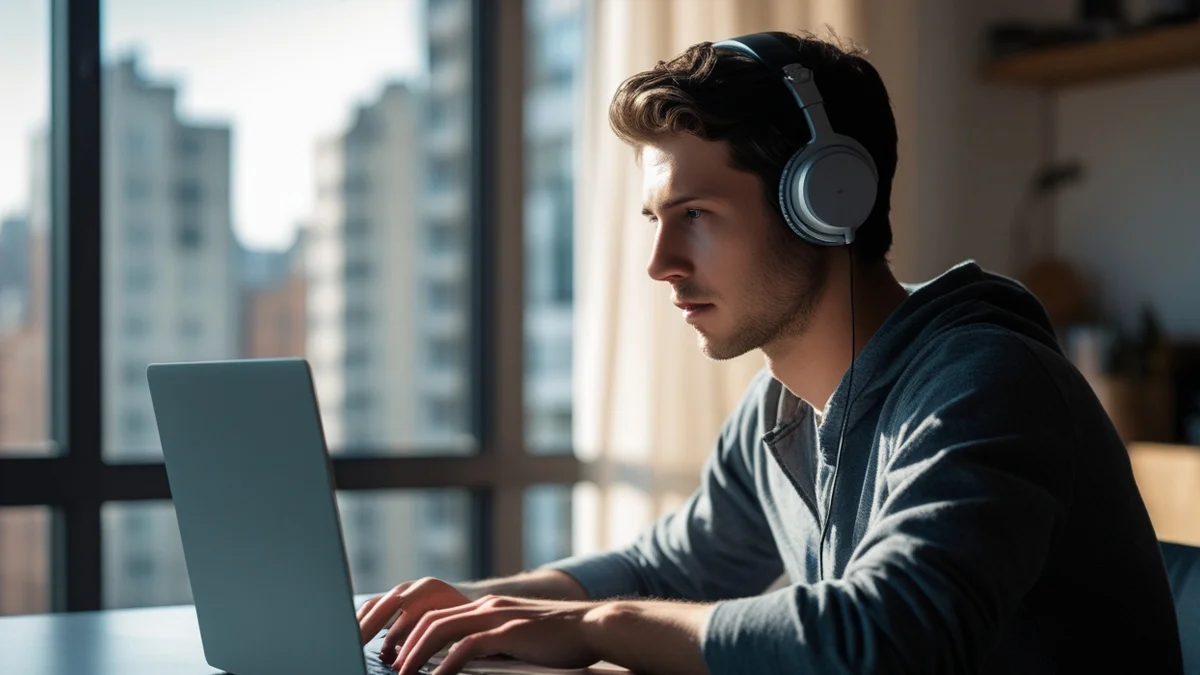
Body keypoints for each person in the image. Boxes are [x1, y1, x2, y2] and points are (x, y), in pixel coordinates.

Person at [357, 31, 1182, 675]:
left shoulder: (987, 384)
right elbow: (669, 562)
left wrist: (596, 627)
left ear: (827, 200)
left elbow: (888, 639)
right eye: (656, 220)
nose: (661, 263)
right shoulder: (780, 407)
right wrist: (467, 605)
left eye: (698, 215)